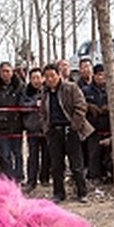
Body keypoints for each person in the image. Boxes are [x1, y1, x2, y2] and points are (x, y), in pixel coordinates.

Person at [40, 62, 92, 203]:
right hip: (54, 132)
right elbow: (43, 113)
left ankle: (82, 192)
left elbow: (81, 106)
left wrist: (75, 126)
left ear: (59, 75)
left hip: (70, 130)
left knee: (76, 164)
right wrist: (46, 129)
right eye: (47, 76)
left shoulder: (70, 87)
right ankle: (58, 193)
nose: (50, 79)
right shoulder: (44, 92)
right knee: (56, 165)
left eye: (52, 76)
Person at [0, 61, 25, 181]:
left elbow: (23, 104)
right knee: (4, 155)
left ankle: (19, 177)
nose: (6, 74)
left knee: (18, 154)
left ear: (12, 72)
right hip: (1, 127)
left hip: (16, 125)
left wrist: (20, 119)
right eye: (3, 71)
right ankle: (8, 178)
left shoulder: (19, 86)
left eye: (8, 71)